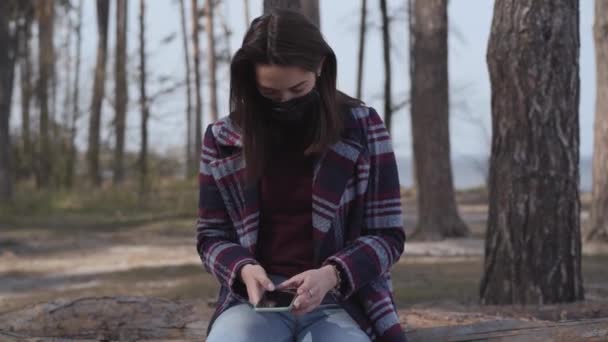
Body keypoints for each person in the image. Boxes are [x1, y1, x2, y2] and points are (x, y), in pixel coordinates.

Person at [196, 9, 407, 342]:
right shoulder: (223, 139)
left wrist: (332, 274)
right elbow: (211, 236)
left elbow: (388, 235)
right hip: (253, 304)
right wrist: (242, 270)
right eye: (271, 94)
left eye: (298, 88)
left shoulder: (363, 128)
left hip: (343, 299)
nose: (286, 102)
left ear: (320, 67)